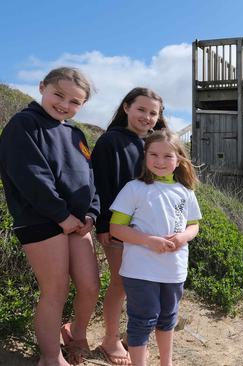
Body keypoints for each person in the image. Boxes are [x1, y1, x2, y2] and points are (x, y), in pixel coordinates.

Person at [0, 67, 100, 366]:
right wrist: (62, 215)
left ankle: (75, 335)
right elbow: (31, 177)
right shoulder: (24, 124)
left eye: (75, 102)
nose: (65, 105)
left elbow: (89, 178)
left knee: (90, 285)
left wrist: (92, 213)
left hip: (77, 222)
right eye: (59, 95)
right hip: (40, 219)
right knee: (55, 288)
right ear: (42, 87)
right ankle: (51, 357)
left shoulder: (75, 133)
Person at [109, 130, 201, 366]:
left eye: (167, 156)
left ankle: (166, 362)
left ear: (179, 159)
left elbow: (194, 226)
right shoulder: (134, 188)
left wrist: (183, 237)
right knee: (143, 319)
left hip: (174, 270)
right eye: (154, 155)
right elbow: (116, 229)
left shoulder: (186, 191)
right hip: (140, 270)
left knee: (168, 318)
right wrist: (149, 241)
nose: (160, 161)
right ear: (145, 156)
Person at [91, 87, 168, 365]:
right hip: (119, 228)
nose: (146, 117)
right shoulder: (110, 141)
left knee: (143, 284)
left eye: (153, 113)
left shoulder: (153, 146)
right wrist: (103, 225)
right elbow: (100, 185)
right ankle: (110, 340)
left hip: (150, 229)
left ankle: (131, 337)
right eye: (141, 109)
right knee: (122, 283)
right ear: (126, 107)